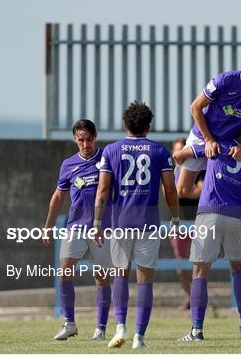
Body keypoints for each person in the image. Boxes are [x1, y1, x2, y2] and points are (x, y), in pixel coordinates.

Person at [92, 100, 179, 349]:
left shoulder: (111, 151)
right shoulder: (160, 152)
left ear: (124, 124)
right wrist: (174, 218)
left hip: (120, 223)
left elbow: (103, 190)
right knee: (145, 281)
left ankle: (120, 326)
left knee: (119, 274)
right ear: (149, 127)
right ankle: (139, 336)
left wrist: (97, 221)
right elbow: (170, 191)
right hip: (148, 223)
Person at [178, 115, 241, 341]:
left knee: (200, 272)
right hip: (236, 216)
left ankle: (196, 329)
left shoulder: (218, 145)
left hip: (210, 213)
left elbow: (181, 156)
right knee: (238, 268)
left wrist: (182, 157)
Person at [42, 119, 113, 341]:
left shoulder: (107, 158)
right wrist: (48, 226)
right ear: (75, 139)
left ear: (96, 137)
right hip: (75, 226)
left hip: (103, 228)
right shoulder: (68, 165)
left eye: (89, 139)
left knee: (102, 278)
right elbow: (58, 197)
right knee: (64, 271)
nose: (85, 144)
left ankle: (100, 328)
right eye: (81, 140)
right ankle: (69, 323)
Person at [176, 48, 241, 199]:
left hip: (229, 142)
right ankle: (186, 162)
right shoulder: (225, 81)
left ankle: (212, 198)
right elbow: (195, 107)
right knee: (181, 192)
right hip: (203, 136)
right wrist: (209, 140)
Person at [171, 138, 204, 310]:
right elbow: (168, 194)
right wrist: (182, 192)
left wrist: (181, 192)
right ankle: (189, 297)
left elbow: (201, 191)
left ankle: (198, 298)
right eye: (176, 150)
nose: (179, 153)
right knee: (180, 267)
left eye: (182, 149)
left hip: (198, 222)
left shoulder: (197, 167)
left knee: (198, 263)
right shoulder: (169, 171)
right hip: (178, 223)